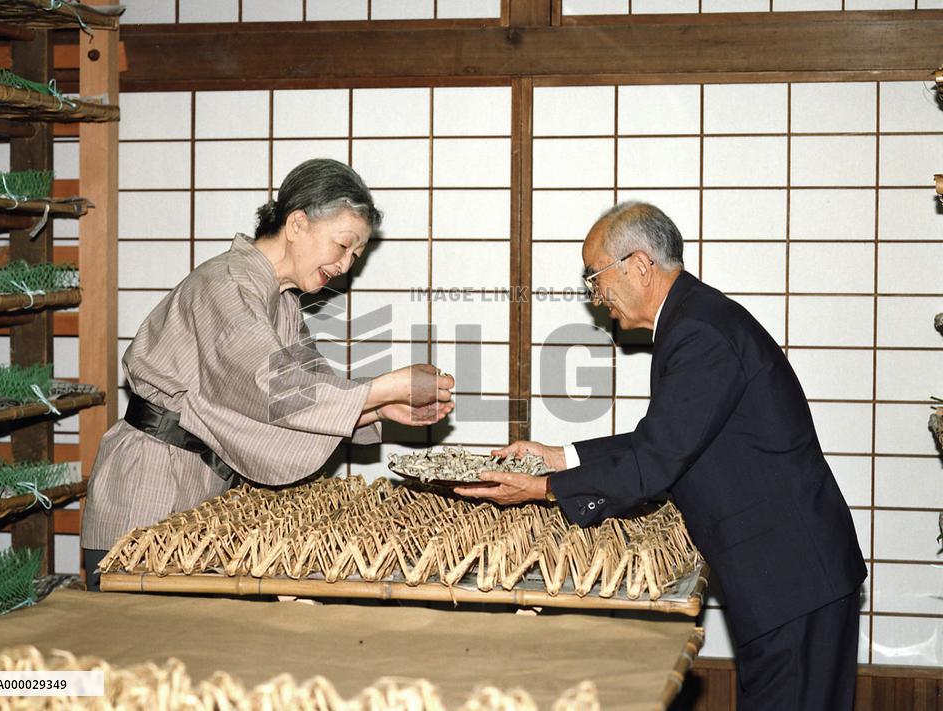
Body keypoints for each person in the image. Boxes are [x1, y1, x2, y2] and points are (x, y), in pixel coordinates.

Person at [457, 202, 866, 711]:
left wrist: (542, 489)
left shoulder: (700, 334)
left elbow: (655, 462)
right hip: (787, 576)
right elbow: (662, 441)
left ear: (640, 265)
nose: (595, 295)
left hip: (792, 577)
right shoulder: (694, 320)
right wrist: (557, 456)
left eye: (595, 277)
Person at [82, 159, 455, 588]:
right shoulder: (226, 284)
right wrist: (385, 387)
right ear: (297, 223)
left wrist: (381, 410)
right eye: (343, 245)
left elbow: (310, 388)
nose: (347, 265)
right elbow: (274, 388)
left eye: (356, 254)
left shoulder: (283, 303)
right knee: (136, 640)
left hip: (201, 484)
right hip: (149, 481)